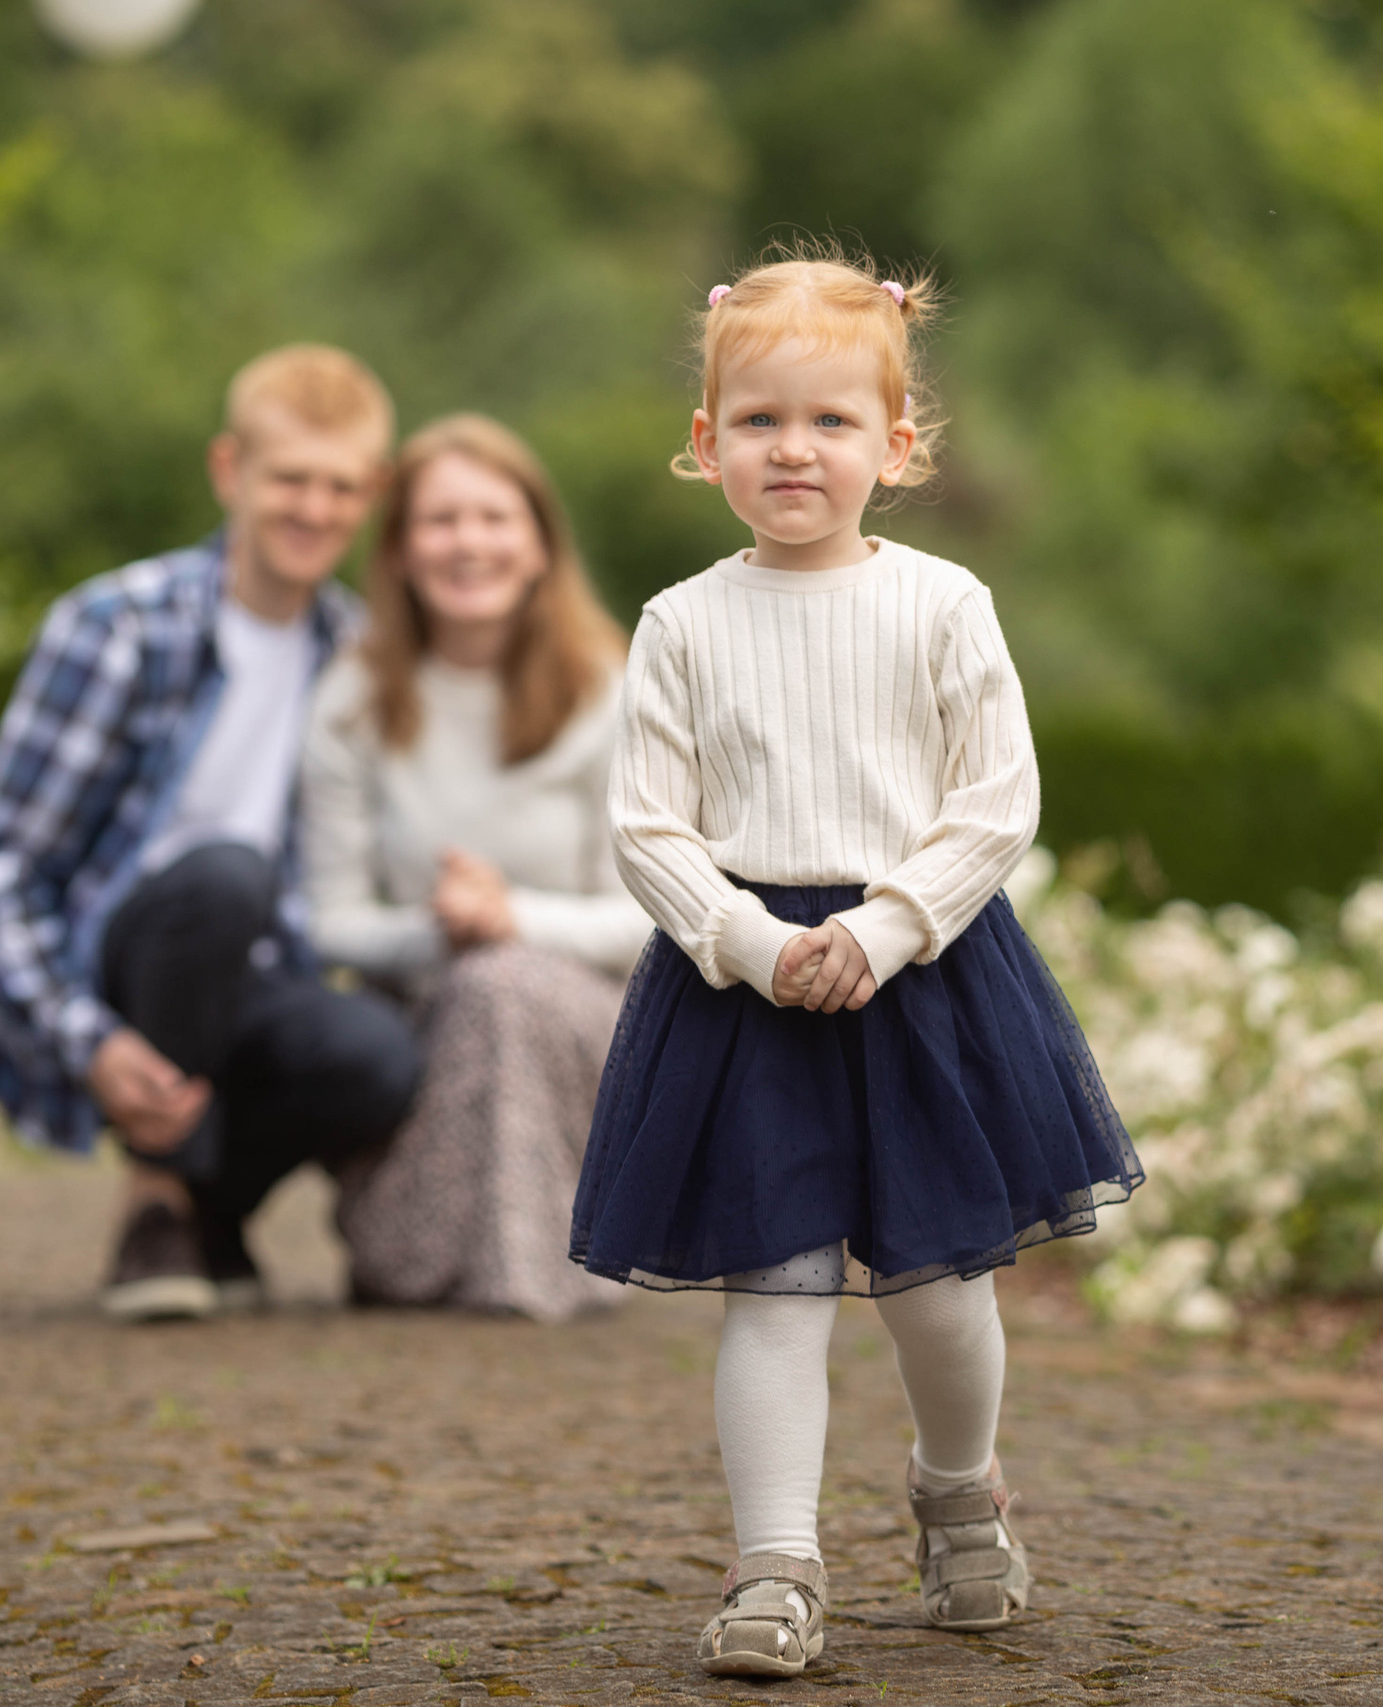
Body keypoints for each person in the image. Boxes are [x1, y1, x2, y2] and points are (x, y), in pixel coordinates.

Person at [568, 255, 1143, 1679]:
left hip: (926, 981)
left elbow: (993, 800)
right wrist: (755, 942)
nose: (793, 449)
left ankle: (959, 1486)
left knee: (942, 1286)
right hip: (745, 994)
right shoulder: (682, 623)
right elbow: (647, 827)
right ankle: (775, 1561)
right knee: (775, 1284)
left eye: (830, 422)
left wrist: (883, 927)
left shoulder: (945, 605)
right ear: (708, 447)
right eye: (758, 420)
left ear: (896, 445)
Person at [0, 344, 421, 1323]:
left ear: (370, 492)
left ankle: (210, 1207)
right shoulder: (120, 627)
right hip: (112, 967)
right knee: (222, 879)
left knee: (379, 1057)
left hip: (246, 973)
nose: (314, 509)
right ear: (228, 471)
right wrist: (88, 1041)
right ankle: (153, 1198)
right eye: (289, 478)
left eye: (340, 486)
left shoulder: (357, 653)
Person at [299, 413, 650, 1321]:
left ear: (538, 545)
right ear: (403, 549)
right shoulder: (353, 698)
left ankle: (528, 1260)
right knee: (474, 992)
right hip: (417, 1006)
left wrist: (514, 921)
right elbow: (326, 917)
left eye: (495, 518)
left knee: (503, 989)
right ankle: (417, 1248)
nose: (469, 543)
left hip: (579, 1008)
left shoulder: (608, 690)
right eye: (441, 520)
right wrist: (441, 927)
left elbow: (653, 917)